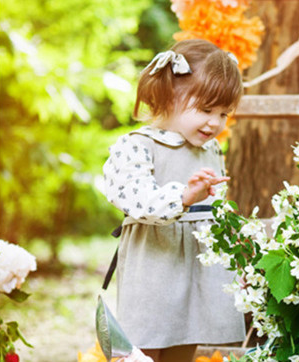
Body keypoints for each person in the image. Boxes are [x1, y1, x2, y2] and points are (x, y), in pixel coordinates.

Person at [102, 39, 246, 362]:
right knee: (143, 348)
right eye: (206, 110)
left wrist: (236, 255)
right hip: (155, 264)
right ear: (170, 96)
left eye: (224, 113)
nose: (215, 122)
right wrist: (182, 197)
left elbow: (215, 211)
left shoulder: (209, 149)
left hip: (197, 269)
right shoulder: (139, 145)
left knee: (186, 340)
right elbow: (132, 197)